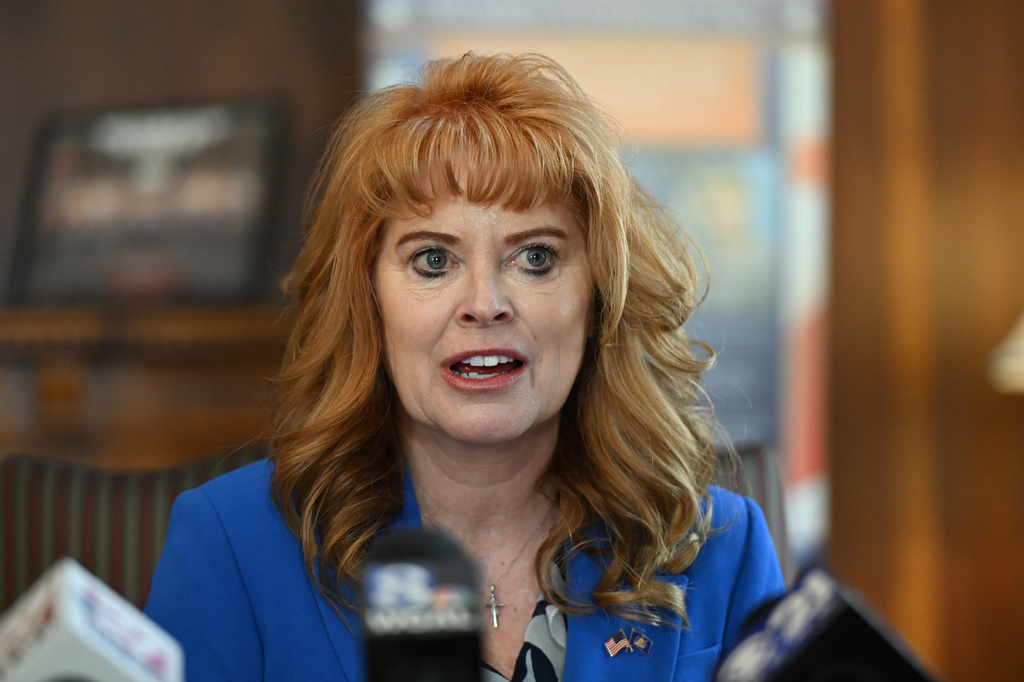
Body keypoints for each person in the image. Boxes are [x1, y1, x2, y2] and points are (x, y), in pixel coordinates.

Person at [144, 52, 785, 681]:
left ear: (600, 299)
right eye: (433, 260)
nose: (485, 304)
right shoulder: (231, 543)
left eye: (535, 257)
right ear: (368, 300)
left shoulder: (723, 549)